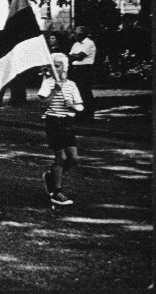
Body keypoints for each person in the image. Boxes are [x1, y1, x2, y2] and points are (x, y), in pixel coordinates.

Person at [39, 53, 83, 206]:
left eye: (57, 65)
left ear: (65, 67)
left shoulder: (71, 84)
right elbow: (42, 104)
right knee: (61, 158)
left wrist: (74, 106)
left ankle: (51, 177)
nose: (53, 69)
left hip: (67, 122)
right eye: (51, 66)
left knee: (74, 159)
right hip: (53, 121)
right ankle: (56, 192)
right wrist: (54, 92)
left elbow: (80, 105)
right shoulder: (48, 83)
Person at [68, 26, 95, 122]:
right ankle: (80, 114)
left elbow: (80, 56)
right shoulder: (76, 44)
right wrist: (75, 56)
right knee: (76, 92)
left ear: (81, 34)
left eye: (75, 33)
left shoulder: (89, 43)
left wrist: (75, 56)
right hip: (76, 69)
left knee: (85, 91)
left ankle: (88, 114)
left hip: (85, 69)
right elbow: (70, 56)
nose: (73, 35)